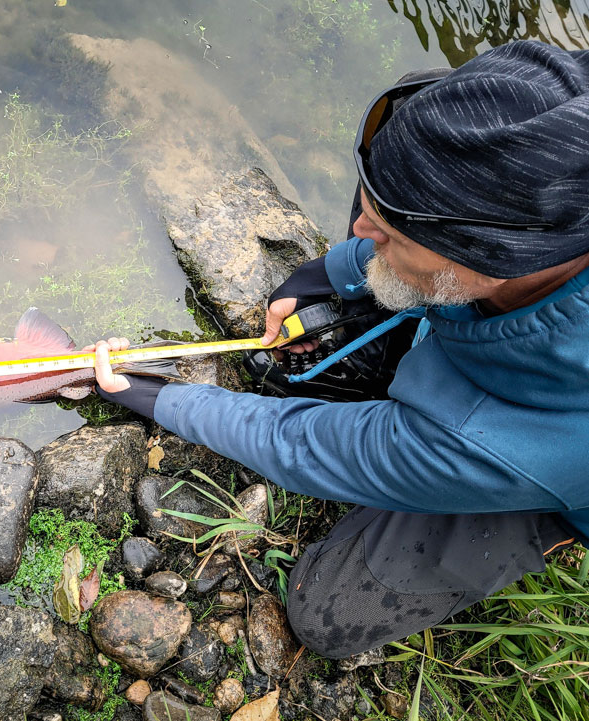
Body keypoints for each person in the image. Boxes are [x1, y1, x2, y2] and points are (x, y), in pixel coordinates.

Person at [92, 39, 589, 659]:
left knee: (326, 609)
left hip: (541, 464)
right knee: (402, 203)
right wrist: (328, 274)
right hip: (499, 346)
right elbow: (397, 236)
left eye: (389, 233)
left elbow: (301, 444)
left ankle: (549, 524)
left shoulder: (510, 436)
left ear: (491, 262)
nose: (359, 229)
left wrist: (161, 395)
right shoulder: (568, 166)